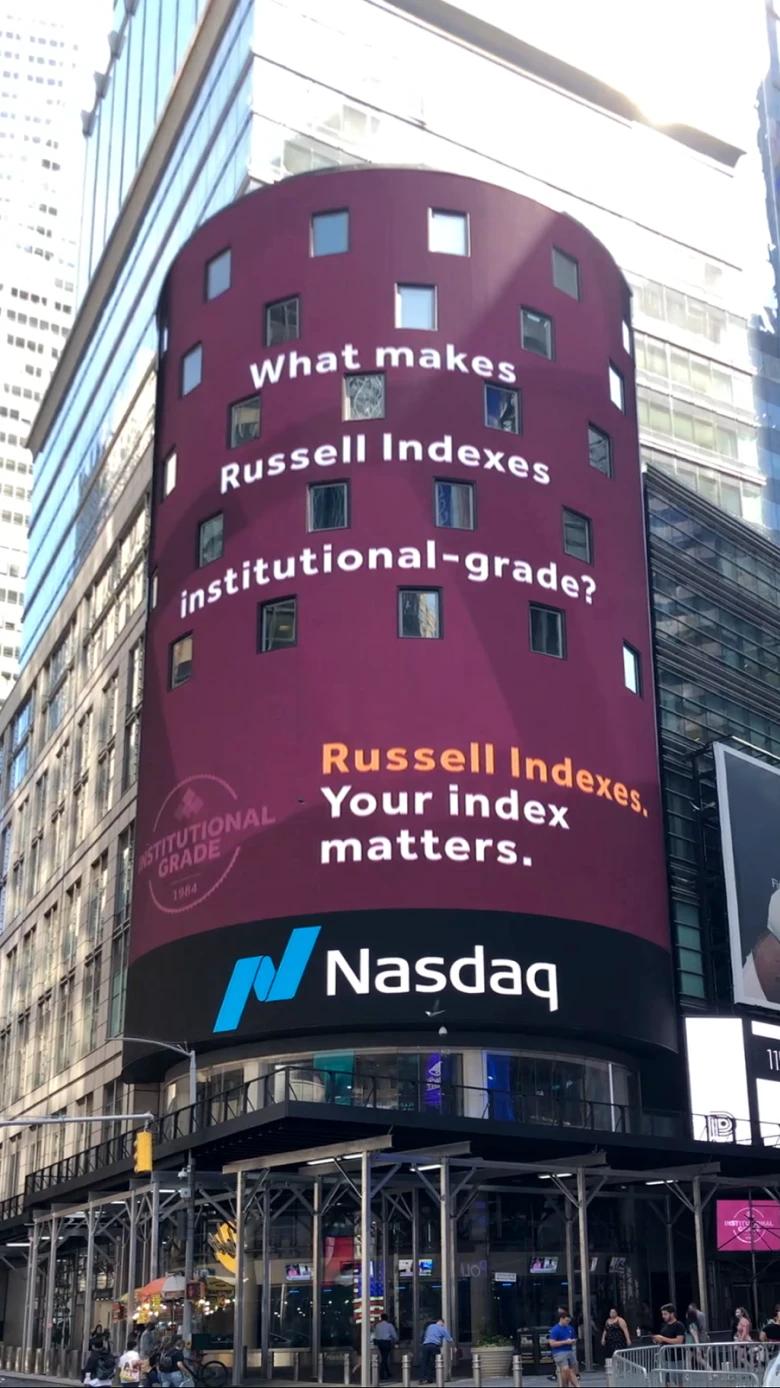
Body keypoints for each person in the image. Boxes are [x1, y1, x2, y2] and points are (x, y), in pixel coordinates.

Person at [548, 1310, 579, 1388]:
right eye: (566, 1321)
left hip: (569, 1351)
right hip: (559, 1352)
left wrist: (573, 1341)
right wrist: (565, 1342)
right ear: (561, 1319)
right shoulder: (555, 1329)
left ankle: (565, 1385)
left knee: (570, 1370)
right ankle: (577, 1385)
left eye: (569, 1321)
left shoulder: (570, 1328)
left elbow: (574, 1339)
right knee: (566, 1369)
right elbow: (552, 1343)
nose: (567, 1322)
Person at [420, 1318, 453, 1385]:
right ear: (441, 1322)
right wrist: (454, 1347)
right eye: (443, 1324)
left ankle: (422, 1379)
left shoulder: (430, 1326)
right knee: (436, 1362)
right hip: (434, 1346)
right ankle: (431, 1378)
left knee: (424, 1362)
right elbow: (449, 1339)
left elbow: (425, 1335)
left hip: (426, 1345)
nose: (443, 1325)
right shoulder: (442, 1329)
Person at [373, 1311, 399, 1380]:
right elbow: (394, 1334)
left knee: (384, 1357)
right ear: (387, 1318)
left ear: (381, 1318)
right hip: (386, 1342)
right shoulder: (389, 1325)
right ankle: (382, 1374)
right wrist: (396, 1340)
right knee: (384, 1358)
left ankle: (388, 1373)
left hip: (379, 1342)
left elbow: (376, 1334)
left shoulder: (377, 1325)